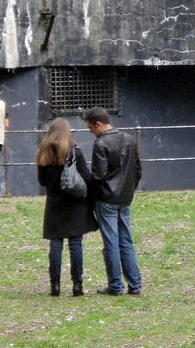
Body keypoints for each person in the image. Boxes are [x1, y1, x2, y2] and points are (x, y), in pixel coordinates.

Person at [83, 106, 143, 296]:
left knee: (111, 242)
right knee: (126, 241)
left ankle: (115, 285)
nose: (91, 132)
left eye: (91, 128)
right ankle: (135, 285)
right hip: (124, 198)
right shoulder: (129, 139)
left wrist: (93, 197)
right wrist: (129, 190)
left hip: (106, 199)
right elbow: (137, 170)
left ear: (98, 124)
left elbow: (98, 177)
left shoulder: (101, 144)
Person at [36, 118, 97, 297]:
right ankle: (77, 284)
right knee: (75, 244)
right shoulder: (74, 152)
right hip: (75, 202)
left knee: (56, 243)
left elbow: (42, 181)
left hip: (54, 203)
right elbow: (86, 176)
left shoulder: (44, 153)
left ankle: (55, 285)